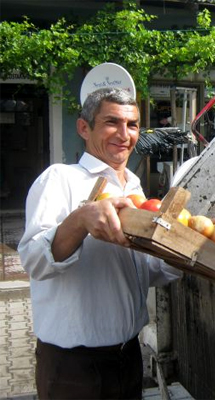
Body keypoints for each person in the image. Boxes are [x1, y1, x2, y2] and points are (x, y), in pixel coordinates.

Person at [18, 87, 182, 399]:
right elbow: (34, 261)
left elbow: (147, 273)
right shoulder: (60, 179)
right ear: (84, 127)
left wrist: (185, 248)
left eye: (132, 124)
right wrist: (80, 221)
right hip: (74, 368)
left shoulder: (134, 188)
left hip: (129, 358)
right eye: (111, 122)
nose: (124, 134)